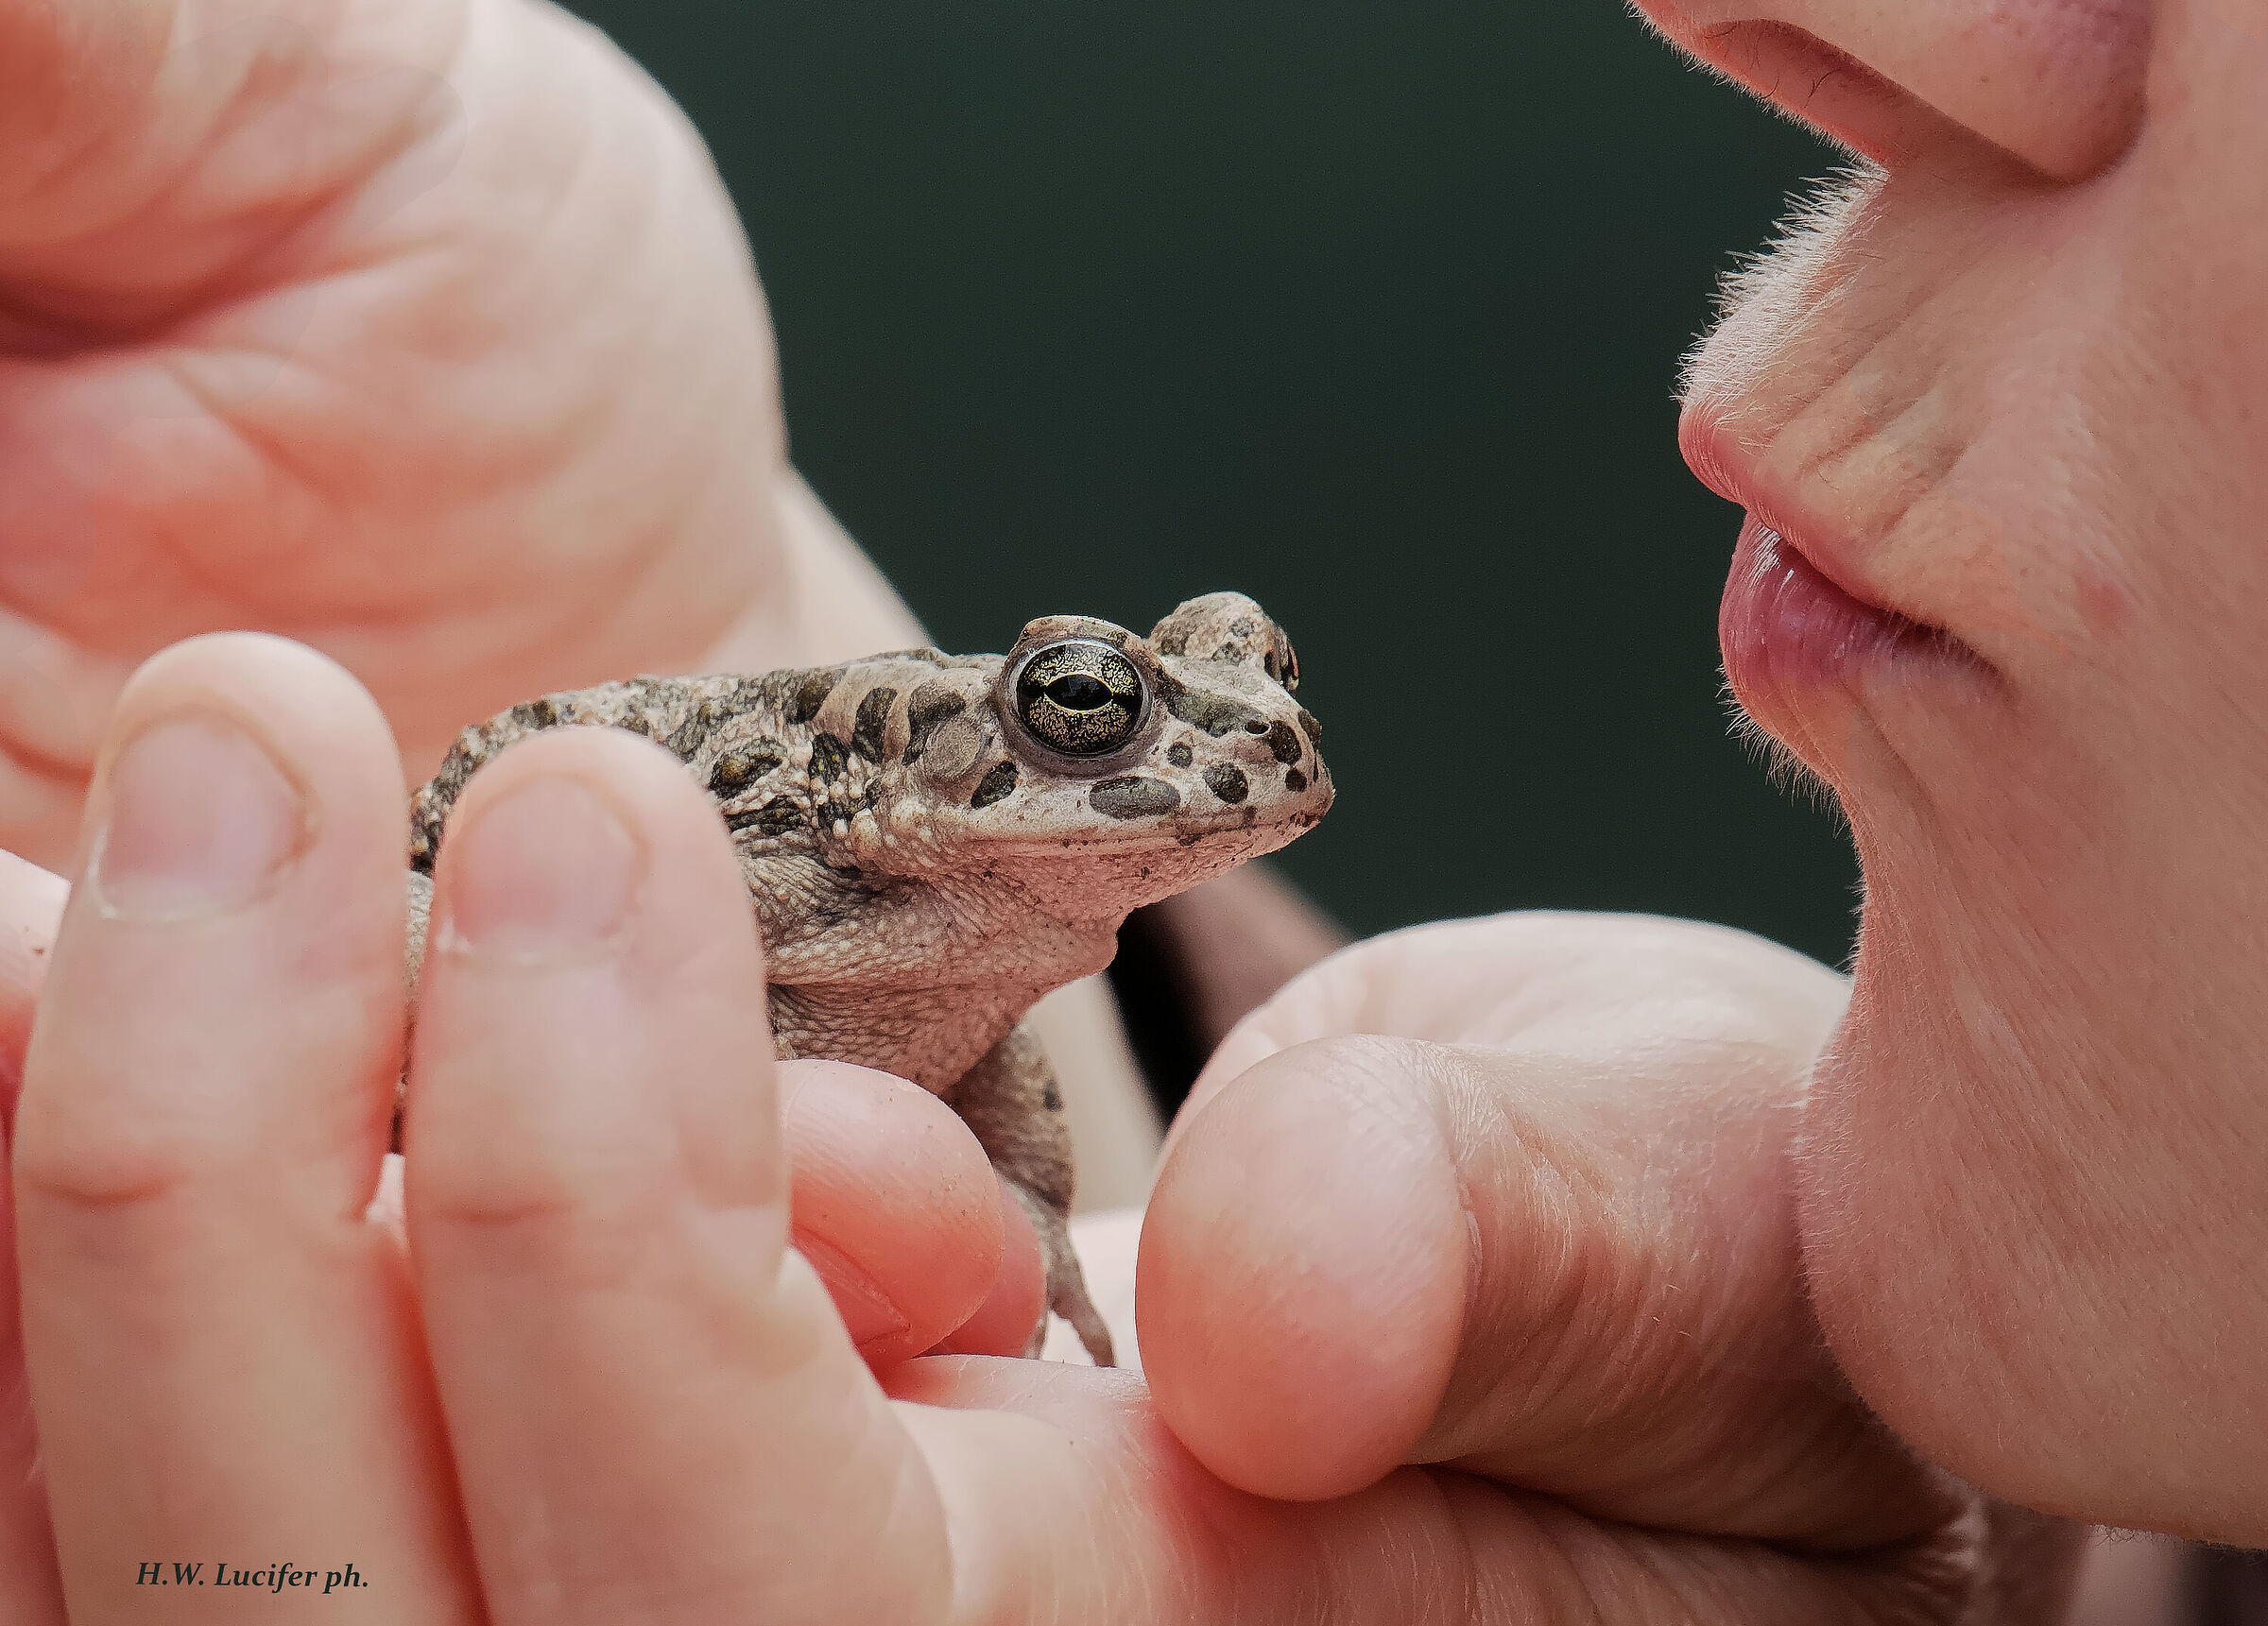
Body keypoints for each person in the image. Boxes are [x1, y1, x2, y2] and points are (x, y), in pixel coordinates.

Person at [0, 1, 2258, 1623]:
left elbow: (964, 1106)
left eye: (1219, 709)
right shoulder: (890, 876)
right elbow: (817, 992)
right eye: (1102, 710)